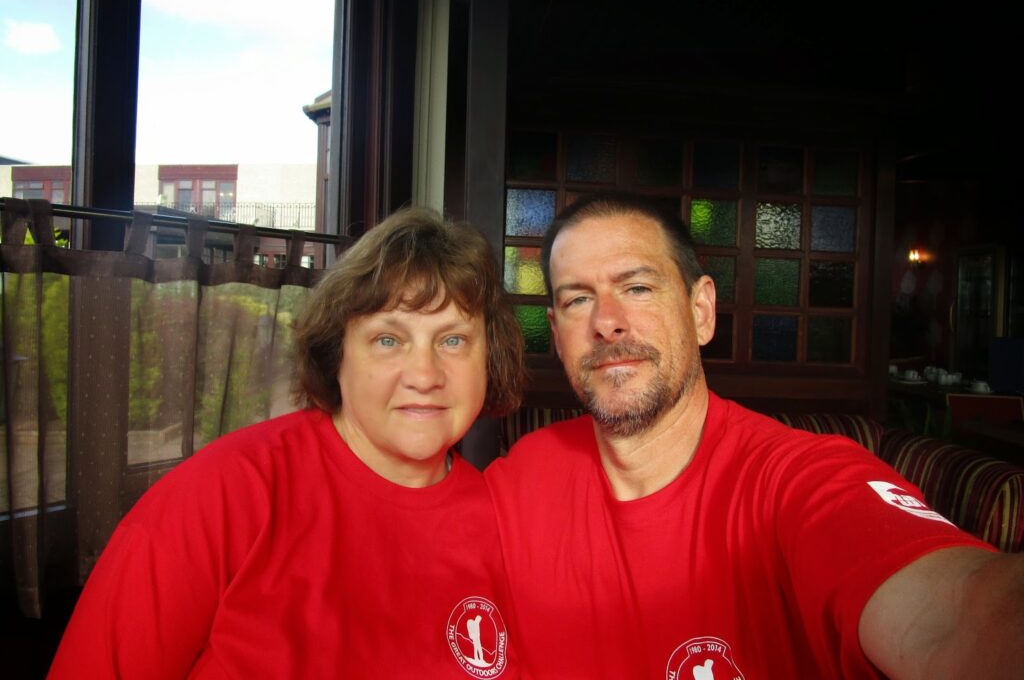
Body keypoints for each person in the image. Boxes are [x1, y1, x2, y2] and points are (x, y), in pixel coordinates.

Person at [485, 192, 1024, 679]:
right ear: (556, 335)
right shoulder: (520, 477)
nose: (607, 321)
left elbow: (957, 614)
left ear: (701, 311)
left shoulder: (799, 481)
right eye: (579, 299)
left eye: (638, 287)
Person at [49, 207, 524, 679]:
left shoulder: (508, 527)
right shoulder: (220, 496)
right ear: (337, 355)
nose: (424, 376)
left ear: (490, 357)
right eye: (387, 340)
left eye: (454, 341)